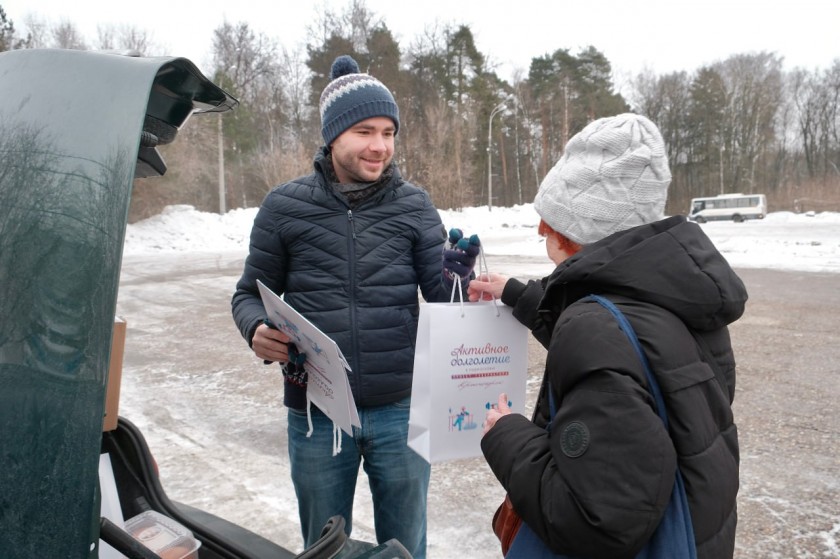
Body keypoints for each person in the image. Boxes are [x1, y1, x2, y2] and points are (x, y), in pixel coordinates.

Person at [231, 55, 476, 558]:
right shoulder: (284, 207)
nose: (380, 146)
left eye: (388, 132)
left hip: (402, 410)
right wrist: (255, 328)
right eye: (365, 131)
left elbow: (444, 300)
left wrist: (459, 275)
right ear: (333, 135)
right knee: (324, 548)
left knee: (406, 545)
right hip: (318, 415)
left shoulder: (414, 205)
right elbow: (247, 295)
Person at [469, 113, 746, 558]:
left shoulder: (596, 327)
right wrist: (519, 295)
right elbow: (628, 352)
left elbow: (594, 521)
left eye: (552, 219)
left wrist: (506, 434)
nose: (541, 229)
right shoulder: (679, 297)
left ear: (580, 228)